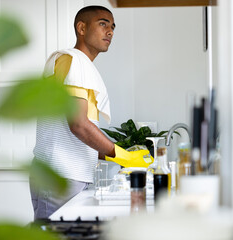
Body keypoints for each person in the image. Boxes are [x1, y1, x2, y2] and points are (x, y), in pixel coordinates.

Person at [30, 5, 151, 220]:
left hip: (66, 175)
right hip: (59, 176)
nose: (110, 31)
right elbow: (78, 124)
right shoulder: (74, 60)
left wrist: (123, 156)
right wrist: (123, 156)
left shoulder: (77, 64)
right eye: (103, 24)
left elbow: (82, 133)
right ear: (82, 28)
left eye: (113, 27)